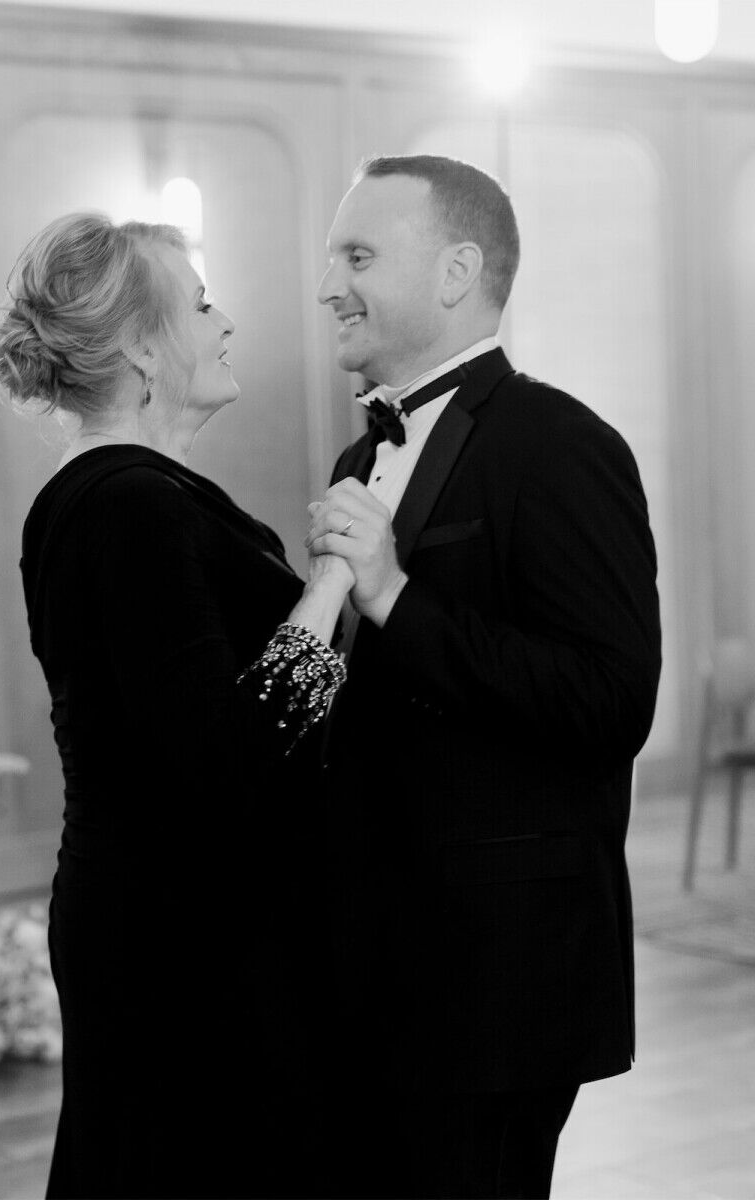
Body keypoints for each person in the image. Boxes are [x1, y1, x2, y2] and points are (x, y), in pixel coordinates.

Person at [0, 213, 352, 1199]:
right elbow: (226, 756)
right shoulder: (128, 505)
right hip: (182, 938)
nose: (225, 321)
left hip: (166, 913)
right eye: (200, 303)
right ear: (146, 346)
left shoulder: (121, 496)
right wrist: (331, 582)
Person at [308, 155, 663, 1199]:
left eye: (358, 254)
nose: (329, 283)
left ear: (458, 269)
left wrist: (396, 598)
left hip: (498, 975)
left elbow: (609, 701)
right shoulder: (353, 462)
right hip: (376, 957)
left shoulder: (561, 445)